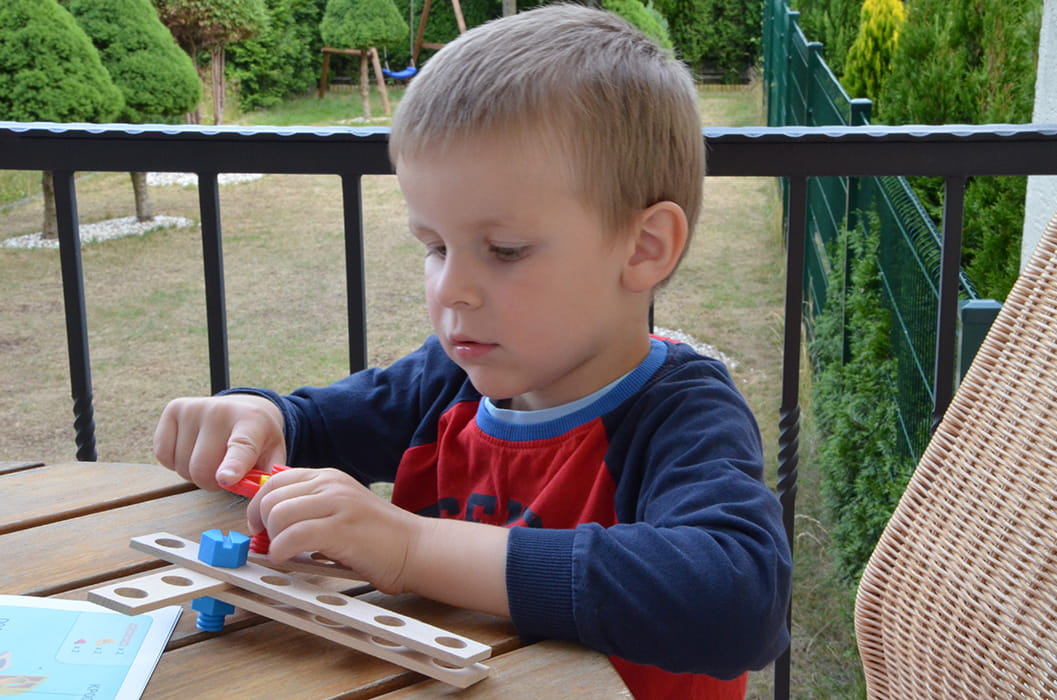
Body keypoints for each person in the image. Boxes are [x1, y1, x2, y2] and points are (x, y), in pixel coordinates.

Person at [152, 5, 791, 698]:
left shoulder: (680, 414)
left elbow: (738, 598)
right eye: (434, 246)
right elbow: (319, 426)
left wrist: (413, 548)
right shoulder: (450, 376)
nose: (451, 288)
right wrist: (261, 419)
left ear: (643, 248)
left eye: (504, 250)